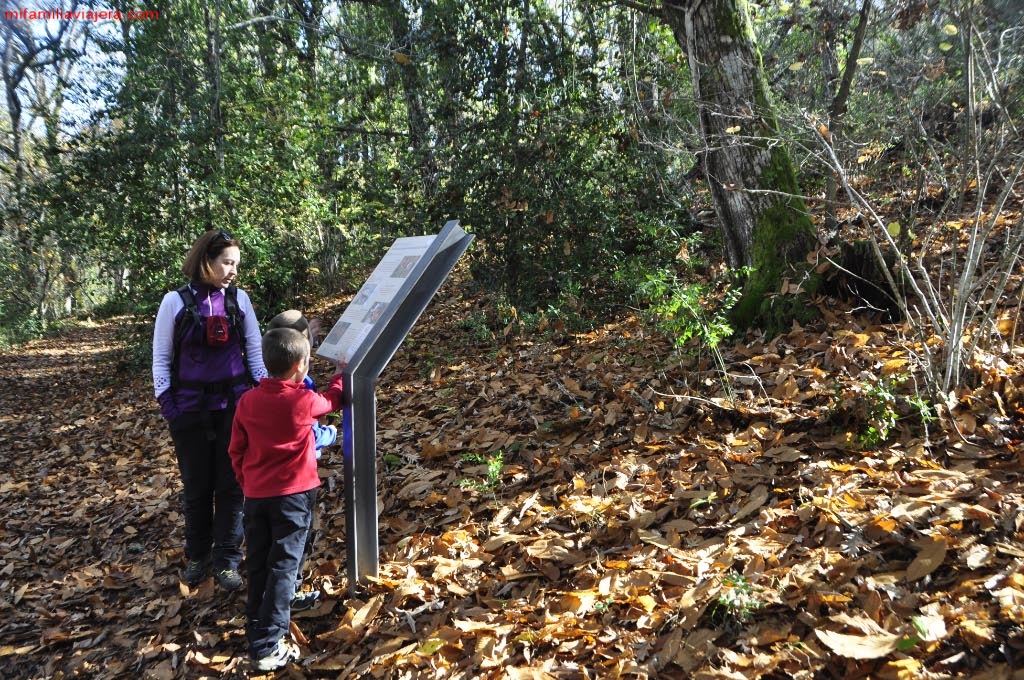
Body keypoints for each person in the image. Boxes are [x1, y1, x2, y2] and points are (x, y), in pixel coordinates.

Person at [152, 229, 268, 592]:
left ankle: (227, 561)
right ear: (207, 260)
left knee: (231, 487)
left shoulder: (240, 301)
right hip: (188, 410)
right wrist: (168, 405)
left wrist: (266, 393)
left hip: (235, 409)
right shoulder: (175, 302)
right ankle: (198, 557)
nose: (233, 270)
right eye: (227, 262)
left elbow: (255, 353)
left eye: (236, 263)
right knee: (196, 488)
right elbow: (160, 358)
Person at [228, 327, 344, 672]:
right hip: (293, 497)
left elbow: (236, 449)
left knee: (261, 562)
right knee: (284, 565)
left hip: (256, 497)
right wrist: (338, 377)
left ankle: (258, 626)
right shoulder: (302, 401)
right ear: (299, 366)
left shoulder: (247, 401)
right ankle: (266, 645)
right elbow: (332, 401)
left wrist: (247, 481)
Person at [265, 309, 338, 611]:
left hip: (263, 487)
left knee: (273, 542)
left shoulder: (260, 390)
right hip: (296, 483)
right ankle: (286, 598)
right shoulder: (301, 393)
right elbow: (309, 428)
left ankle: (270, 593)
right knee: (294, 541)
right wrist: (330, 434)